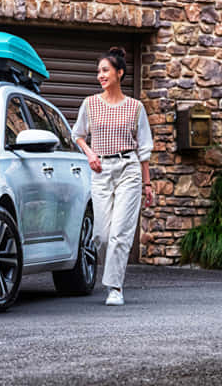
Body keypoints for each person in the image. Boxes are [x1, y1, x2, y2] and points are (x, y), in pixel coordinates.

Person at [72, 46, 154, 306]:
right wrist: (90, 154)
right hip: (101, 170)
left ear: (119, 73)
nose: (100, 75)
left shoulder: (136, 107)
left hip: (129, 168)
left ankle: (114, 287)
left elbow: (144, 148)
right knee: (102, 235)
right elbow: (78, 135)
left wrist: (147, 183)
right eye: (98, 71)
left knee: (120, 232)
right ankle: (112, 279)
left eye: (105, 70)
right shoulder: (90, 104)